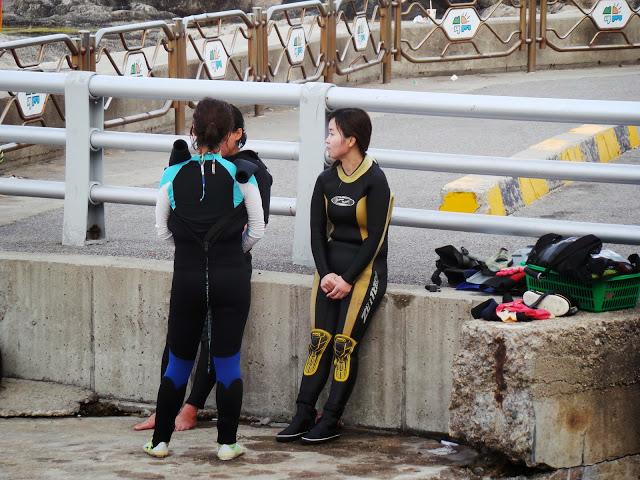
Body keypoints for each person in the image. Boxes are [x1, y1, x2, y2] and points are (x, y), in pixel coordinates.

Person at [133, 105, 271, 434]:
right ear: (226, 134)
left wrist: (197, 250)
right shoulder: (243, 175)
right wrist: (226, 252)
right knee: (217, 356)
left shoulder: (249, 170)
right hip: (227, 269)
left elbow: (163, 230)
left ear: (237, 134)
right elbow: (258, 229)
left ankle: (175, 424)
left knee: (201, 348)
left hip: (199, 268)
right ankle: (224, 442)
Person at [276, 108, 393, 444]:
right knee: (319, 343)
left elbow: (375, 238)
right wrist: (327, 274)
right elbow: (315, 232)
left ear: (351, 140)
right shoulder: (325, 180)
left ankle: (330, 418)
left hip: (365, 272)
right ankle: (303, 412)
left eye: (332, 133)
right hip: (328, 273)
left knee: (343, 345)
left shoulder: (376, 181)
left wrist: (347, 279)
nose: (327, 140)